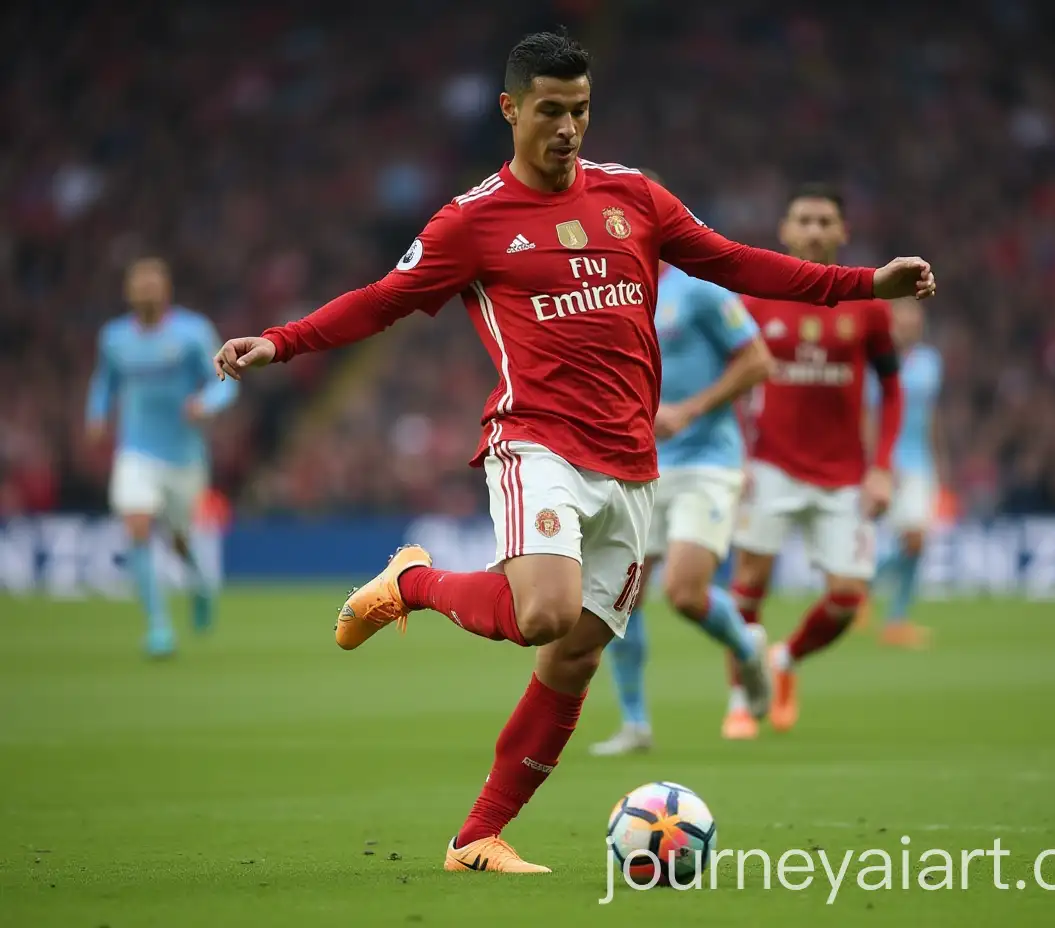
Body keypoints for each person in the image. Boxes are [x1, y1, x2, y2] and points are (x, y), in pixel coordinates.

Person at [214, 30, 935, 873]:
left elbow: (740, 264)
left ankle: (475, 838)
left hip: (631, 461)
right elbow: (383, 300)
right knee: (545, 613)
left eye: (581, 110)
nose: (568, 128)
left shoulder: (636, 197)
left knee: (577, 652)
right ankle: (409, 583)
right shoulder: (472, 221)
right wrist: (281, 342)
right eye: (551, 111)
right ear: (511, 109)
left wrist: (862, 282)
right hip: (534, 441)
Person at [589, 169, 775, 756]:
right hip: (637, 463)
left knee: (686, 593)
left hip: (705, 459)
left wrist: (689, 411)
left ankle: (748, 650)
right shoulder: (607, 292)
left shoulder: (698, 286)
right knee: (621, 597)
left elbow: (758, 362)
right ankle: (636, 724)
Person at [726, 184, 904, 738]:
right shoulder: (754, 301)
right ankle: (739, 697)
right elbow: (732, 383)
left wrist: (881, 466)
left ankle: (783, 661)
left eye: (826, 221)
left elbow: (892, 389)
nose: (814, 230)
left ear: (843, 232)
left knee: (848, 598)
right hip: (771, 467)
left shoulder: (869, 306)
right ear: (784, 230)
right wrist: (738, 457)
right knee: (749, 585)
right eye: (804, 220)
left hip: (843, 477)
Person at [86, 257, 237, 657]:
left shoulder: (192, 333)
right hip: (135, 451)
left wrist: (206, 403)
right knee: (136, 525)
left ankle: (201, 585)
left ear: (166, 290)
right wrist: (96, 414)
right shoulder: (115, 338)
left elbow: (225, 382)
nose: (147, 292)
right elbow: (105, 382)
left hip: (184, 457)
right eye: (140, 285)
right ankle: (158, 627)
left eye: (154, 284)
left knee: (177, 540)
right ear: (129, 292)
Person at [863, 299, 943, 648]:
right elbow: (867, 415)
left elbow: (930, 416)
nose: (911, 321)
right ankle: (865, 592)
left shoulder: (930, 362)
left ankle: (891, 616)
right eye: (904, 315)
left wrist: (941, 460)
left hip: (920, 461)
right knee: (912, 539)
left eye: (916, 315)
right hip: (889, 462)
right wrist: (875, 463)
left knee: (917, 543)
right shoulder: (875, 363)